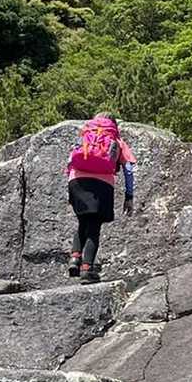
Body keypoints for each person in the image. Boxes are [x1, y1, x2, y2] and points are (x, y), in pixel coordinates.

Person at [66, 113, 136, 283]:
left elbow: (71, 159)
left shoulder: (86, 134)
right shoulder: (116, 140)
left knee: (83, 221)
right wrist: (129, 195)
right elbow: (128, 168)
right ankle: (87, 269)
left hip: (76, 181)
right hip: (101, 184)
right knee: (94, 226)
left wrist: (71, 184)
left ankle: (75, 259)